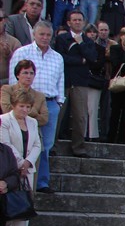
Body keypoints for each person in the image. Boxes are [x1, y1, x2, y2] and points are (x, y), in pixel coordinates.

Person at [8, 21, 64, 195]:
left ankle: (41, 181)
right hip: (23, 101)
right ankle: (17, 178)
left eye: (48, 35)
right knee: (20, 143)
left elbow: (61, 80)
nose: (45, 38)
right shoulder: (22, 53)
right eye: (42, 34)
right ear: (34, 34)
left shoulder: (57, 57)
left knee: (45, 145)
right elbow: (12, 78)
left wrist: (59, 101)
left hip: (49, 102)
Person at [0, 89, 42, 226]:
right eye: (21, 106)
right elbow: (5, 144)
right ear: (14, 106)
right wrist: (19, 163)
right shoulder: (4, 120)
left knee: (23, 208)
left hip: (27, 171)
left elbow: (37, 145)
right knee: (9, 208)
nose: (24, 110)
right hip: (10, 170)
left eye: (27, 107)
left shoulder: (32, 122)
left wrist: (28, 162)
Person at [55, 10, 98, 158]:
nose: (77, 22)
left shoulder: (88, 41)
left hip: (81, 81)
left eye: (80, 20)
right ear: (69, 23)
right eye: (74, 20)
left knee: (80, 116)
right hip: (64, 81)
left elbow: (92, 58)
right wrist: (80, 61)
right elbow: (61, 58)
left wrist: (80, 44)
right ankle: (52, 145)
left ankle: (78, 147)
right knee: (58, 115)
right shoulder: (62, 39)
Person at [1, 60, 48, 129]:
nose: (29, 76)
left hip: (32, 131)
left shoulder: (40, 96)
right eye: (25, 73)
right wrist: (34, 112)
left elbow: (44, 119)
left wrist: (19, 112)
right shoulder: (7, 89)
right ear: (17, 75)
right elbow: (6, 110)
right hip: (10, 129)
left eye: (31, 73)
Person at [81, 23, 107, 144]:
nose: (92, 34)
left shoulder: (100, 49)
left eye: (94, 32)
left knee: (93, 109)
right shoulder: (80, 46)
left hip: (94, 81)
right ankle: (82, 133)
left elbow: (99, 64)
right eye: (89, 32)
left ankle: (92, 134)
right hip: (81, 80)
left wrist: (86, 60)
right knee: (82, 109)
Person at [0, 10, 22, 86]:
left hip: (5, 86)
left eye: (0, 19)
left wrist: (9, 54)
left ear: (5, 20)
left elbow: (20, 68)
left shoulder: (14, 42)